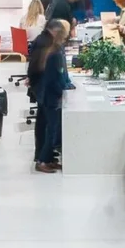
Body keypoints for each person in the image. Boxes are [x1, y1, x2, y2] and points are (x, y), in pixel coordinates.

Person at [32, 20, 70, 173]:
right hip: (50, 98)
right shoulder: (55, 54)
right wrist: (63, 88)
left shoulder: (53, 51)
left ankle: (48, 159)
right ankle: (42, 161)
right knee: (52, 131)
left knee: (52, 129)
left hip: (49, 96)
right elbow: (55, 78)